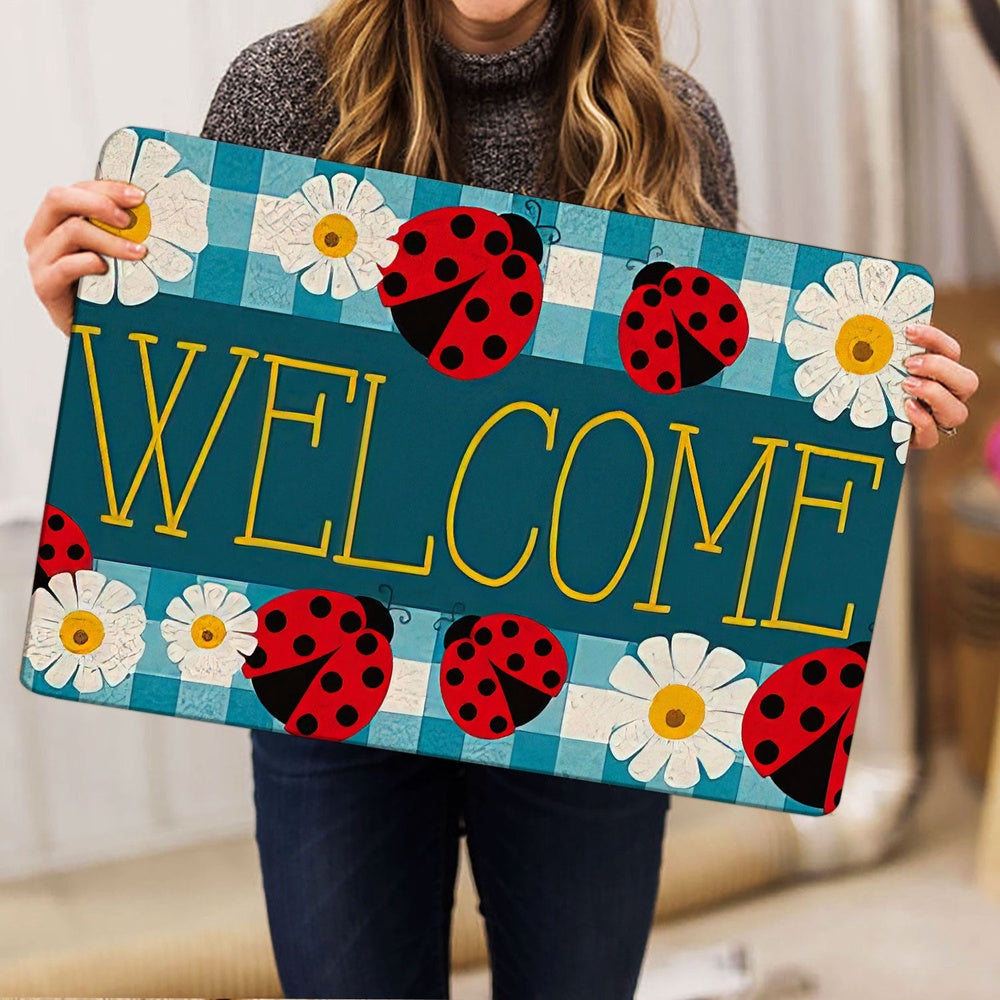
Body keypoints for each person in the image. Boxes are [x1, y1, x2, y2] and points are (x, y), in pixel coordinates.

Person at [22, 1, 980, 997]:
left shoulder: (670, 125)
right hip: (328, 681)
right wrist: (106, 330)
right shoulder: (281, 93)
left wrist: (848, 428)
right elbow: (229, 414)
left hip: (586, 695)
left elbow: (701, 453)